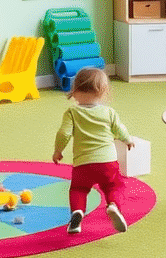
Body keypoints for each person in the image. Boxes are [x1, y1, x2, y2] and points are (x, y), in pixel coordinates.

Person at [52, 67, 133, 234]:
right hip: (107, 162)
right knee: (114, 186)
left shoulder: (72, 112)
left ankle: (77, 212)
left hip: (83, 165)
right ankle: (112, 205)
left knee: (78, 189)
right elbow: (120, 129)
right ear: (103, 92)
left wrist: (58, 151)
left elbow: (64, 133)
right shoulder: (109, 112)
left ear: (75, 91)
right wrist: (128, 140)